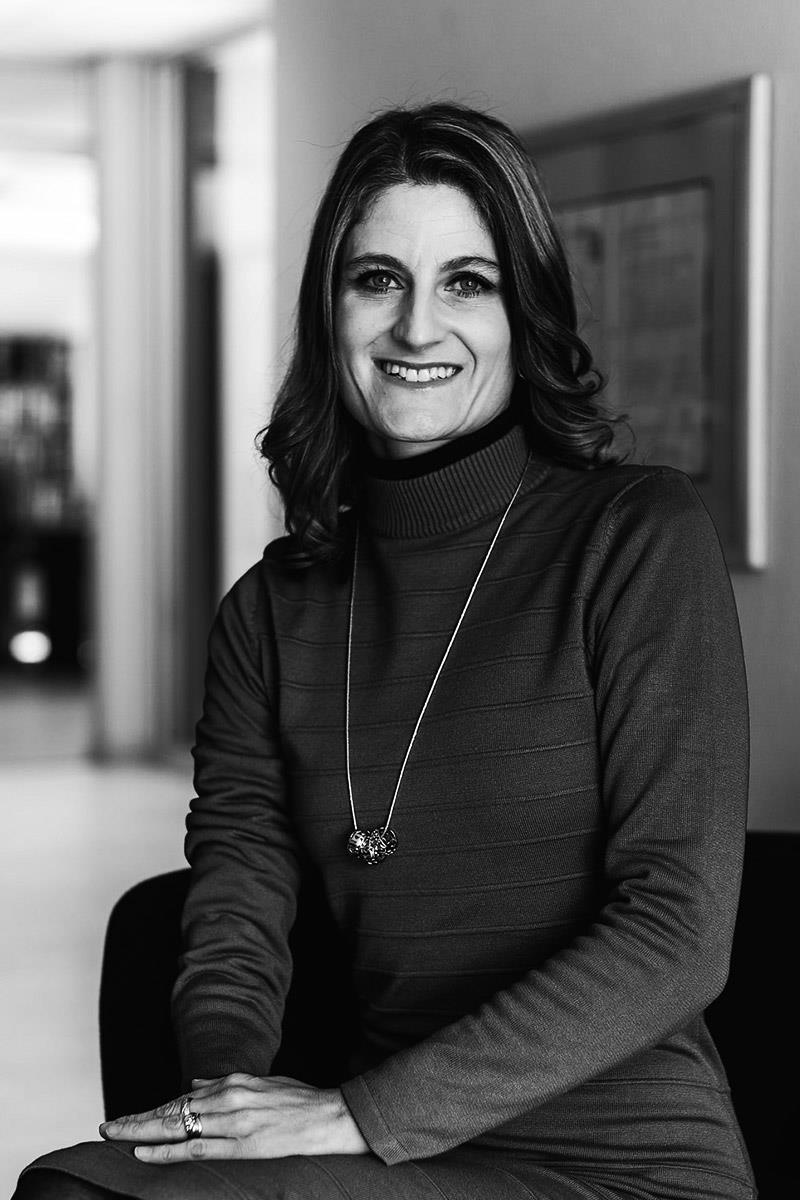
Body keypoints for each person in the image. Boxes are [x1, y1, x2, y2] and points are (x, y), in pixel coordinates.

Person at [15, 102, 755, 1200]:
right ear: (330, 311)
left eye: (467, 282)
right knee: (72, 1188)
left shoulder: (638, 539)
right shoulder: (269, 612)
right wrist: (226, 1110)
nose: (417, 327)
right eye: (378, 280)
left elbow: (678, 932)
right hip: (369, 1153)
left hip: (620, 1163)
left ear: (524, 315)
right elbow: (235, 913)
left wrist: (352, 1114)